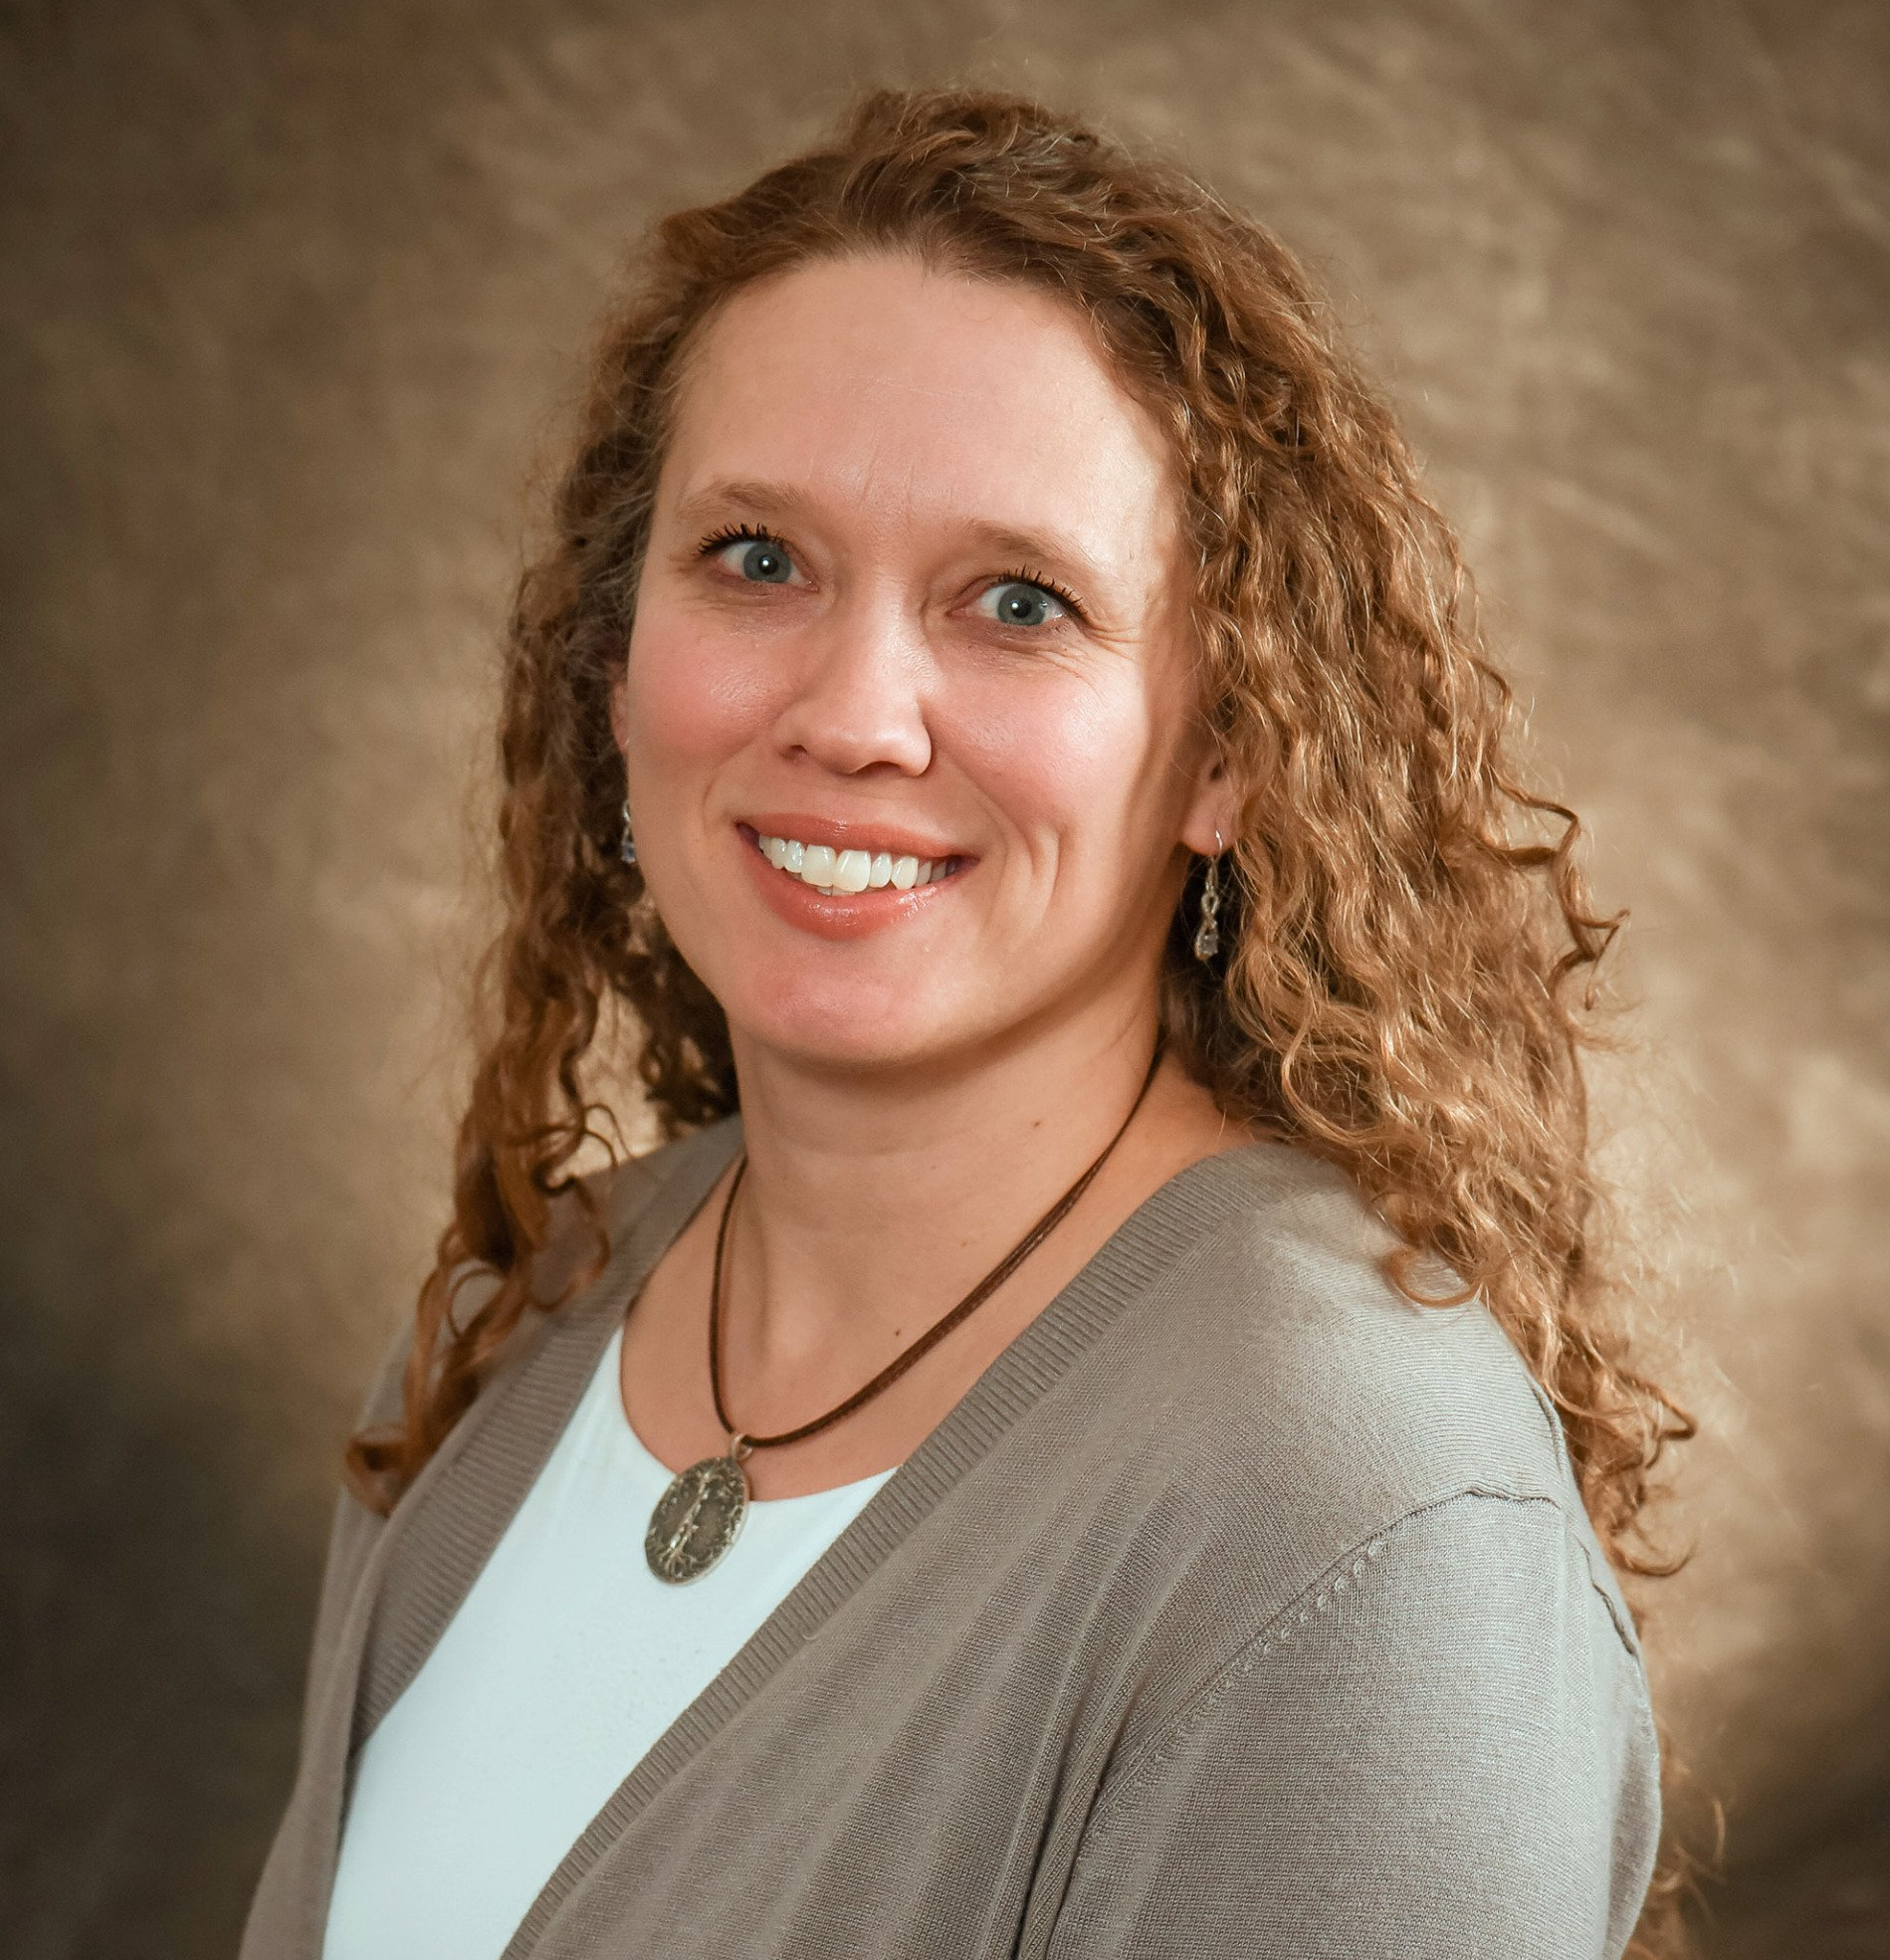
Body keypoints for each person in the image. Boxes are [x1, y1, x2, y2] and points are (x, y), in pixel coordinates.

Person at [243, 86, 1694, 1960]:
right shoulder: (518, 1321)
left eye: (1019, 602)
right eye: (757, 559)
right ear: (615, 664)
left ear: (1230, 757)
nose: (854, 712)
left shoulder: (1359, 1510)